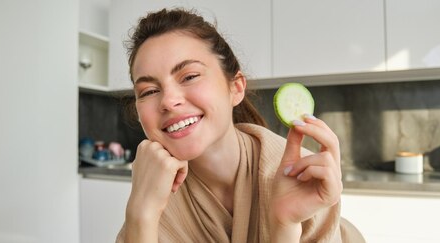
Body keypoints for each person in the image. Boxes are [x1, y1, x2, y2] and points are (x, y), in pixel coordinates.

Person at [116, 8, 364, 243]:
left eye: (190, 76)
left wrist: (284, 226)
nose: (169, 101)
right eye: (148, 91)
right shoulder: (150, 190)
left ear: (236, 88)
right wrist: (141, 214)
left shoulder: (303, 177)